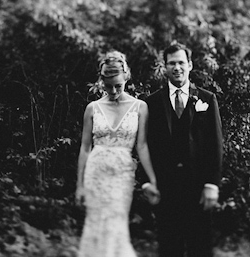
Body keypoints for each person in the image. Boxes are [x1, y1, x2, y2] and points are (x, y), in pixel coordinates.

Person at [76, 50, 160, 257]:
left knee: (116, 223)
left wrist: (153, 179)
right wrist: (79, 185)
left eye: (118, 86)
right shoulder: (92, 108)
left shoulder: (140, 107)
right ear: (101, 81)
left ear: (127, 78)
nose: (113, 91)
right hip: (95, 173)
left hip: (121, 174)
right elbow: (85, 148)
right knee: (95, 224)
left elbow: (141, 146)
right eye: (108, 86)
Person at [143, 42, 223, 257]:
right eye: (171, 63)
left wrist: (212, 184)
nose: (176, 67)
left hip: (198, 188)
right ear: (165, 67)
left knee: (200, 247)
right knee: (169, 248)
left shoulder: (207, 99)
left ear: (189, 65)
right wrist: (146, 181)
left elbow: (215, 145)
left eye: (180, 62)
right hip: (166, 190)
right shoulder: (151, 103)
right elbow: (145, 145)